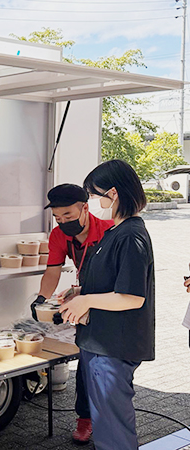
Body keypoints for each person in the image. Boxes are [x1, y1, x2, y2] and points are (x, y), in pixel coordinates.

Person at [59, 159, 155, 450]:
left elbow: (132, 297)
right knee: (106, 427)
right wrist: (79, 292)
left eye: (93, 194)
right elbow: (111, 282)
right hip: (100, 344)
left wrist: (87, 300)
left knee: (113, 432)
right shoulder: (116, 232)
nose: (92, 201)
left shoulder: (131, 236)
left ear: (113, 193)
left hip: (113, 347)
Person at [30, 183, 113, 445]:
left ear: (85, 208)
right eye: (58, 217)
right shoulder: (58, 235)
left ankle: (110, 422)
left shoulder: (110, 230)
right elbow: (53, 271)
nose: (63, 221)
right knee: (86, 363)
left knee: (110, 367)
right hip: (84, 302)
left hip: (112, 301)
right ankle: (85, 419)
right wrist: (42, 299)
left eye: (68, 215)